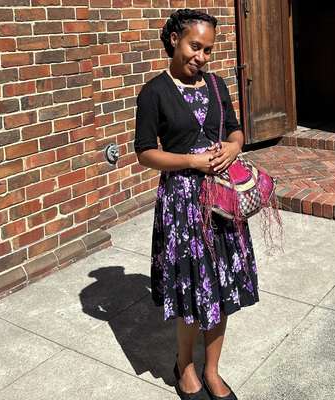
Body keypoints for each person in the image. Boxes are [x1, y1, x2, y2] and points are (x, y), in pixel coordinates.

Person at [134, 8, 260, 400]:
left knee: (221, 286)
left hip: (222, 202)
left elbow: (236, 129)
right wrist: (190, 161)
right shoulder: (154, 92)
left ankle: (213, 369)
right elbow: (144, 153)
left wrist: (233, 146)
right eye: (195, 46)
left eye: (208, 50)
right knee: (191, 289)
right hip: (183, 205)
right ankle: (184, 365)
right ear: (174, 39)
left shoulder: (217, 85)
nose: (201, 57)